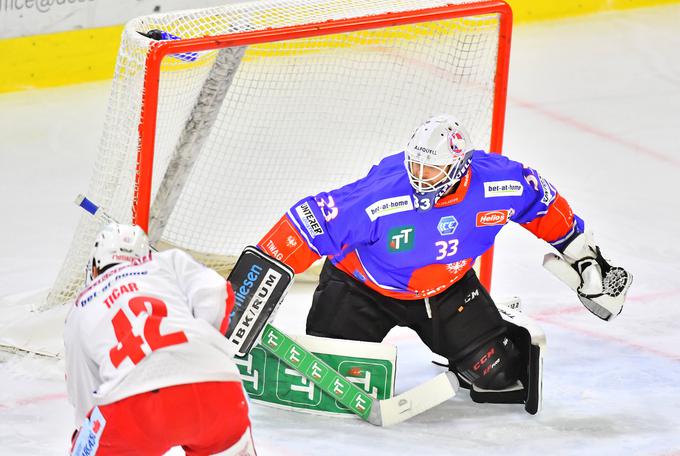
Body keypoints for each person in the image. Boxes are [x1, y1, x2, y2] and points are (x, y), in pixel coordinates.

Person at [257, 114, 631, 410]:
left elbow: (541, 202)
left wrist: (585, 257)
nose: (419, 176)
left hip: (447, 293)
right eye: (415, 165)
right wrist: (257, 283)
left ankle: (499, 320)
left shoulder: (499, 183)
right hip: (362, 290)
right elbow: (309, 221)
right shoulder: (383, 193)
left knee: (499, 376)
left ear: (459, 167)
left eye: (430, 169)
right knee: (331, 385)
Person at [65, 223, 255, 455]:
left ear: (95, 266)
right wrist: (205, 344)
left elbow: (84, 391)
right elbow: (217, 292)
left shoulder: (81, 306)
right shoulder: (166, 262)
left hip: (133, 403)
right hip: (217, 385)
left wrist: (87, 436)